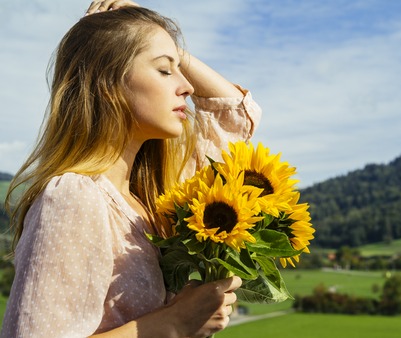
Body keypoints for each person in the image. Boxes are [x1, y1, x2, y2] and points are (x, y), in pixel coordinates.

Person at [1, 1, 262, 337]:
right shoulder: (74, 198)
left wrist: (157, 40)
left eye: (179, 69)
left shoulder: (153, 198)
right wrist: (176, 322)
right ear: (108, 84)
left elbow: (232, 113)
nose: (188, 86)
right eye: (165, 71)